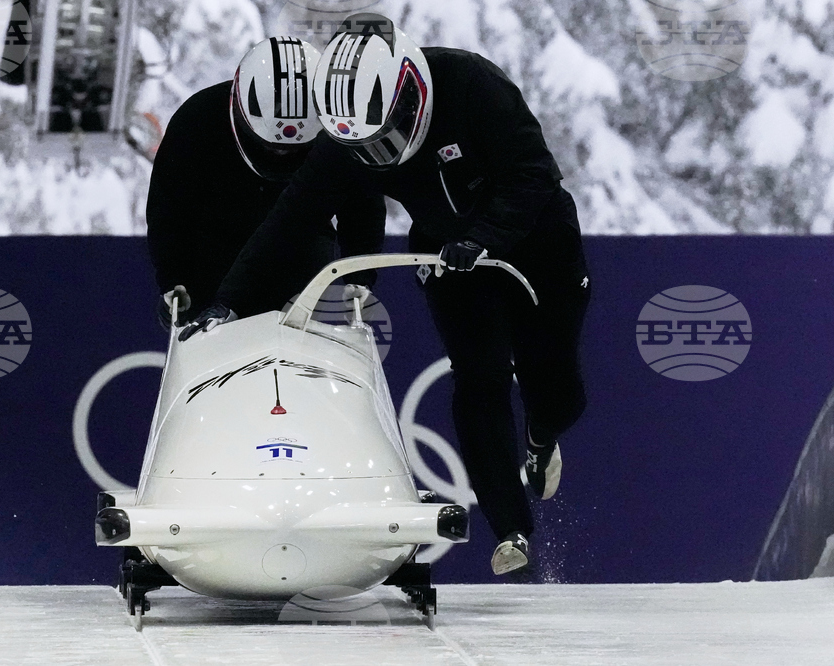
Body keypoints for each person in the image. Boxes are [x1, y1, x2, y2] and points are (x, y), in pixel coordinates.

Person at [181, 14, 590, 576]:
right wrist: (228, 299)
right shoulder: (348, 146)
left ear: (411, 95)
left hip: (537, 240)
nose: (381, 156)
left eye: (388, 140)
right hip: (448, 255)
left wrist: (483, 238)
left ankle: (541, 438)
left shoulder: (474, 85)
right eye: (366, 148)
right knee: (480, 377)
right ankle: (510, 527)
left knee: (558, 390)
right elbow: (290, 219)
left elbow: (534, 174)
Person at [146, 36, 385, 329]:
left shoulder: (340, 128)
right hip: (213, 251)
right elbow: (168, 207)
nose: (281, 155)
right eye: (271, 146)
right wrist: (173, 279)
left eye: (293, 149)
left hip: (299, 247)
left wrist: (359, 277)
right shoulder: (197, 119)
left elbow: (362, 203)